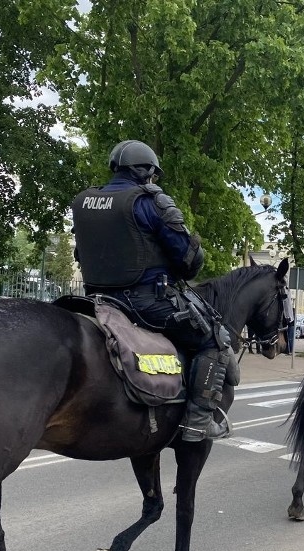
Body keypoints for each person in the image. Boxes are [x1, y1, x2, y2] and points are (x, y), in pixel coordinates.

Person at [71, 139, 236, 442]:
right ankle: (198, 423)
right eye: (152, 175)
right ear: (146, 171)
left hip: (96, 301)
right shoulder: (149, 200)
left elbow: (82, 254)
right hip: (145, 303)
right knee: (215, 339)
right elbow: (188, 259)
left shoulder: (83, 201)